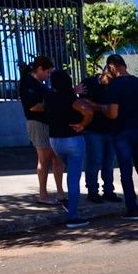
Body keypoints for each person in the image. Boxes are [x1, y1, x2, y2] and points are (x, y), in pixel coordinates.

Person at [102, 54, 138, 219]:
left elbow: (113, 114)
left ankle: (132, 209)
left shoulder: (114, 86)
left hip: (121, 132)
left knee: (126, 171)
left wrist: (102, 109)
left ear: (112, 67)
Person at [44, 70, 93, 228]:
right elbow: (88, 111)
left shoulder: (49, 97)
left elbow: (58, 99)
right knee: (73, 179)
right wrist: (83, 124)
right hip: (73, 139)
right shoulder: (72, 99)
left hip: (55, 141)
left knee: (66, 170)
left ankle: (67, 206)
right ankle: (72, 216)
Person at [19, 56, 66, 206]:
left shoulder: (38, 84)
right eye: (47, 72)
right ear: (39, 69)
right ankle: (43, 195)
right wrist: (54, 105)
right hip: (38, 123)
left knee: (57, 158)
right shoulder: (28, 84)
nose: (49, 76)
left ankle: (60, 193)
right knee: (44, 159)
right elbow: (33, 106)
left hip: (49, 123)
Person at [79, 68, 119, 204]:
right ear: (103, 74)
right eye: (110, 79)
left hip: (110, 128)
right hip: (92, 129)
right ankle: (92, 191)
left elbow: (115, 107)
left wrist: (98, 106)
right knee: (94, 160)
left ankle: (108, 190)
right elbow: (84, 105)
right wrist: (105, 108)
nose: (111, 83)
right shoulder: (88, 83)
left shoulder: (114, 86)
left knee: (108, 162)